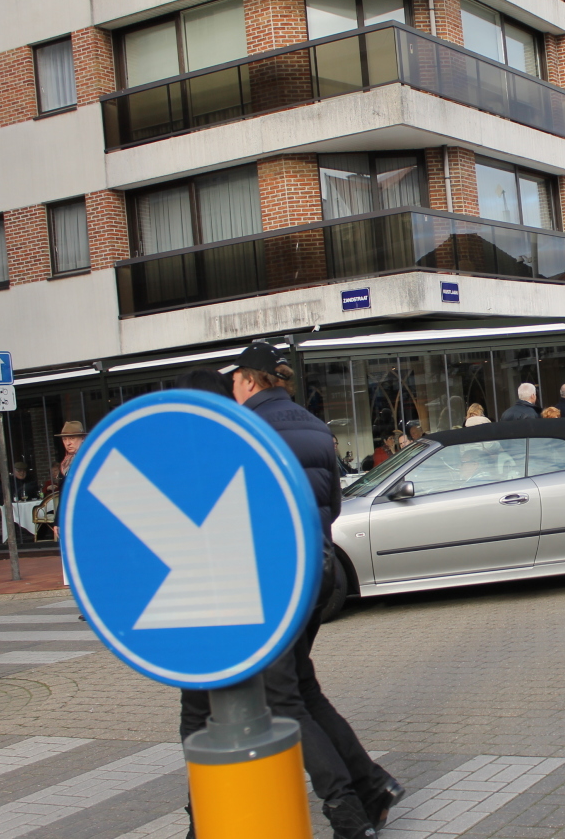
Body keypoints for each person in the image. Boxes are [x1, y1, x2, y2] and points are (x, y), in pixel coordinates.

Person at [222, 344, 402, 839]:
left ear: (252, 381)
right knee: (300, 688)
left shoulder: (246, 431)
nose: (230, 389)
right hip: (318, 571)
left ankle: (345, 807)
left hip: (273, 578)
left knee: (280, 698)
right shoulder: (313, 425)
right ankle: (372, 786)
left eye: (234, 380)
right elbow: (333, 506)